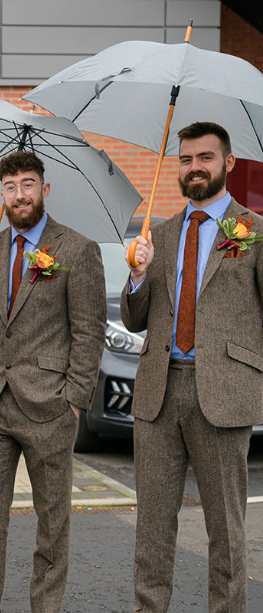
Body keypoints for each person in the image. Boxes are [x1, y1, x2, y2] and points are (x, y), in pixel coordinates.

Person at [122, 121, 262, 613]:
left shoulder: (255, 232)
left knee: (226, 530)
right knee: (153, 528)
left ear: (228, 164)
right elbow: (135, 318)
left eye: (205, 157)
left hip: (223, 395)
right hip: (158, 395)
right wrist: (137, 275)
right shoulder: (156, 235)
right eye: (186, 159)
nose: (195, 167)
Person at [0, 151, 106, 613]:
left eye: (28, 184)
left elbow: (88, 331)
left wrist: (74, 401)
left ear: (45, 189)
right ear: (1, 194)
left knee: (53, 524)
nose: (19, 194)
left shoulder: (78, 250)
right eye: (10, 187)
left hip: (50, 406)